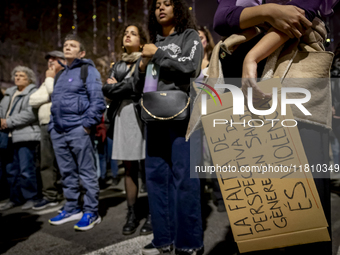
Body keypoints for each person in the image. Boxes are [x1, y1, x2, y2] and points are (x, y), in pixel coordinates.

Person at [213, 0, 334, 254]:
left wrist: (252, 55)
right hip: (246, 89)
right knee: (261, 209)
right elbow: (222, 17)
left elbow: (302, 11)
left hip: (294, 81)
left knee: (305, 208)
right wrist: (270, 11)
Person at [138, 0, 204, 254]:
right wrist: (141, 67)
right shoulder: (151, 42)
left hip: (182, 114)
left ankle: (189, 243)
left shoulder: (190, 36)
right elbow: (139, 83)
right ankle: (163, 238)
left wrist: (156, 54)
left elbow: (190, 66)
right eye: (157, 5)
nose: (161, 8)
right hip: (152, 114)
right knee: (155, 177)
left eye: (167, 3)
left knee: (185, 177)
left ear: (178, 8)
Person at [48, 34, 106, 231]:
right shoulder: (60, 75)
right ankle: (73, 208)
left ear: (81, 52)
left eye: (72, 45)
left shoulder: (88, 71)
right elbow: (55, 103)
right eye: (65, 45)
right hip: (59, 131)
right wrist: (52, 126)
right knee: (67, 172)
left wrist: (86, 125)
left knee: (86, 172)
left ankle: (91, 211)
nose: (67, 47)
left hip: (78, 129)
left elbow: (98, 101)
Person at [102, 24, 152, 236]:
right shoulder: (118, 64)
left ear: (141, 41)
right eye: (125, 33)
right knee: (130, 168)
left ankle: (153, 213)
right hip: (124, 115)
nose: (128, 36)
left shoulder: (148, 59)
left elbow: (136, 86)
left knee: (149, 167)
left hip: (145, 113)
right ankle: (132, 213)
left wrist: (118, 87)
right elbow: (107, 90)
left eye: (133, 33)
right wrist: (120, 87)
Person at [29, 51, 66, 210]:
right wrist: (48, 92)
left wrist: (50, 79)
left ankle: (71, 193)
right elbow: (32, 100)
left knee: (65, 160)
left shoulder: (64, 76)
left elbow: (56, 94)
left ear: (63, 61)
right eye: (48, 60)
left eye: (54, 59)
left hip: (60, 123)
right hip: (45, 124)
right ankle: (50, 195)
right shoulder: (47, 81)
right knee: (47, 162)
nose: (50, 62)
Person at [0, 66, 40, 211]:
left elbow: (30, 114)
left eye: (21, 75)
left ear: (29, 78)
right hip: (8, 136)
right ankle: (14, 198)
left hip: (25, 135)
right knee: (11, 170)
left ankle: (32, 197)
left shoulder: (33, 92)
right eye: (16, 75)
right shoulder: (9, 93)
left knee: (26, 169)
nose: (17, 77)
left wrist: (7, 121)